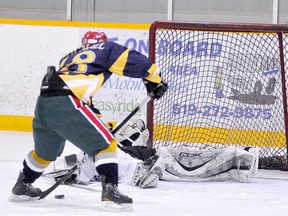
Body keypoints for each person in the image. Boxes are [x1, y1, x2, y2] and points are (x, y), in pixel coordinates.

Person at [9, 30, 168, 211]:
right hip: (67, 101)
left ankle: (22, 185)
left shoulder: (68, 59)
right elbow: (130, 59)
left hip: (45, 101)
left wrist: (96, 119)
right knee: (105, 144)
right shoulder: (106, 48)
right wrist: (155, 78)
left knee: (44, 154)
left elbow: (79, 95)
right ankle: (110, 192)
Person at [46, 118, 259, 188]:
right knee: (180, 160)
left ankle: (239, 160)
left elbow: (141, 173)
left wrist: (146, 171)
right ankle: (239, 159)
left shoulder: (102, 157)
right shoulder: (88, 160)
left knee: (183, 165)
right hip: (141, 155)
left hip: (143, 156)